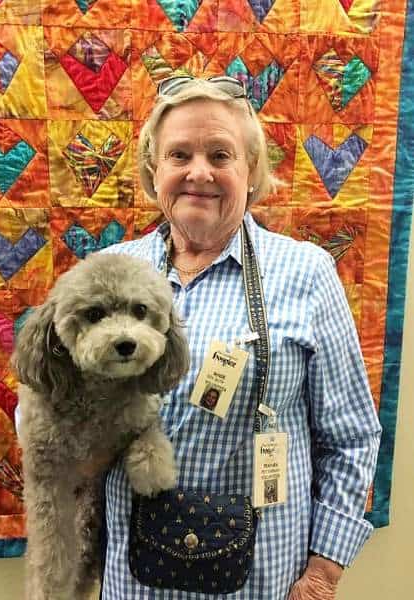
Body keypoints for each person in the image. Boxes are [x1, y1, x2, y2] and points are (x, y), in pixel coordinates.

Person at [102, 76, 382, 599]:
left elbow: (350, 438)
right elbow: (55, 403)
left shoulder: (305, 272)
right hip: (132, 578)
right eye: (179, 154)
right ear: (154, 170)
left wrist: (323, 573)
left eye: (220, 154)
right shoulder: (110, 272)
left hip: (262, 579)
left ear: (250, 170)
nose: (198, 172)